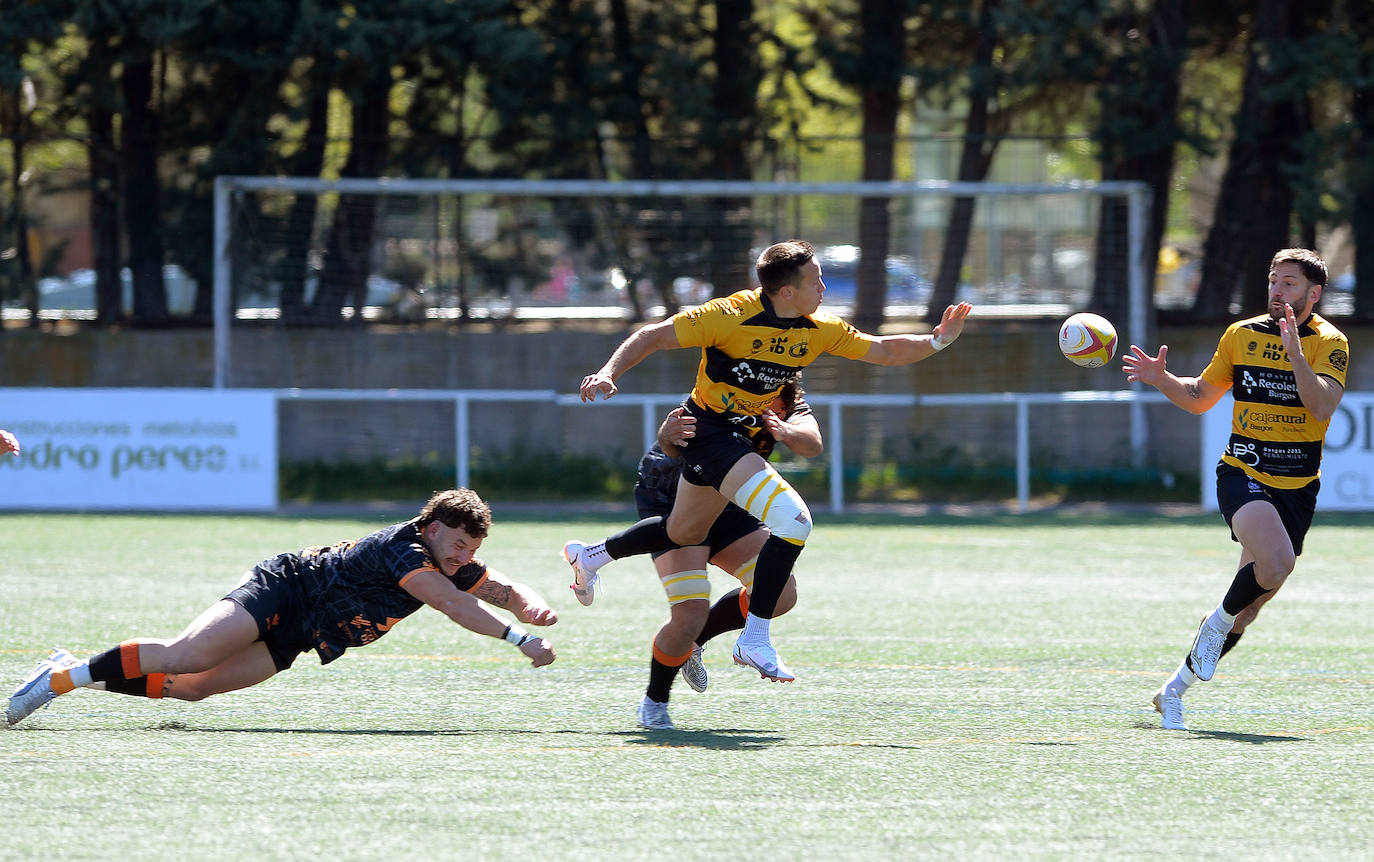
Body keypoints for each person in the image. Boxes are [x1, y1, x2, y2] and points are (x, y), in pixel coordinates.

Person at [563, 239, 973, 685]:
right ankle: (755, 638)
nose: (823, 287)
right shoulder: (727, 315)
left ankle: (592, 556)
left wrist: (937, 340)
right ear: (786, 291)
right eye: (815, 280)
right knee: (795, 521)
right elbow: (654, 335)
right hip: (709, 432)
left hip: (740, 442)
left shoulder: (817, 326)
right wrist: (608, 372)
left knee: (683, 531)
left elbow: (882, 350)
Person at [6, 488, 558, 727]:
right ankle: (56, 683)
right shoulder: (407, 550)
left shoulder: (450, 558)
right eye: (459, 544)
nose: (465, 557)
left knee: (195, 688)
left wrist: (532, 608)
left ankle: (72, 670)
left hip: (304, 630)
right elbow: (452, 606)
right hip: (287, 586)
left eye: (472, 550)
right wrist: (517, 640)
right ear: (435, 528)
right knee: (186, 655)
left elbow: (500, 589)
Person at [1123, 247, 1348, 731]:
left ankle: (1173, 691)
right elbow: (1201, 397)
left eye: (1289, 282)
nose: (1277, 290)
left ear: (1314, 293)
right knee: (1279, 563)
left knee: (1249, 608)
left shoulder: (1331, 343)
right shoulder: (1241, 335)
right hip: (1242, 472)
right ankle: (1216, 624)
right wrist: (1162, 379)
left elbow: (1321, 406)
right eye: (1273, 280)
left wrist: (1294, 353)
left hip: (1298, 488)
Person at [634, 374, 822, 730]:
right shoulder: (726, 388)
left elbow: (811, 443)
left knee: (781, 593)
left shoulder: (788, 400)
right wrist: (666, 435)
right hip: (672, 495)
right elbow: (670, 442)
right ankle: (655, 700)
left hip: (728, 500)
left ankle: (694, 644)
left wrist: (785, 431)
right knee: (689, 613)